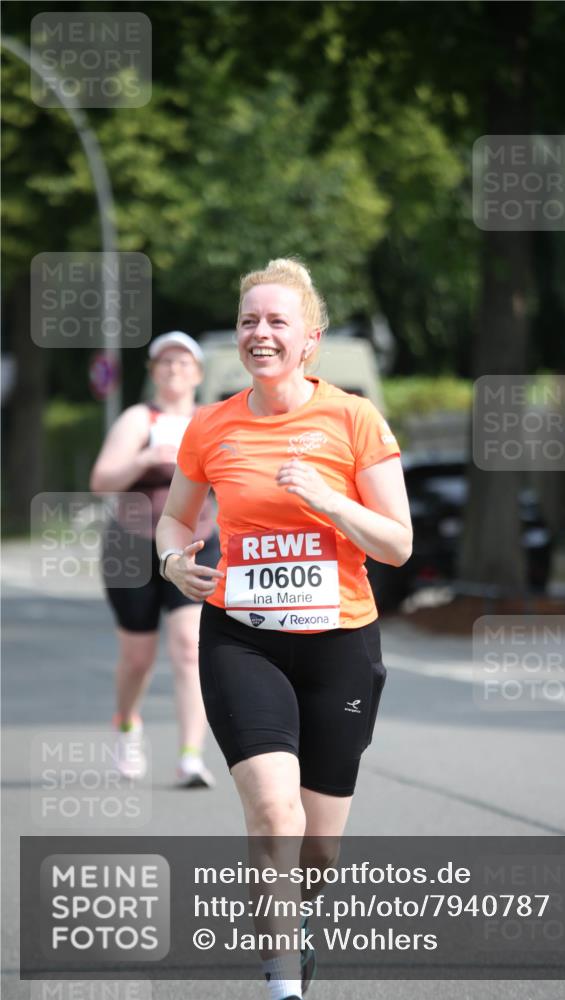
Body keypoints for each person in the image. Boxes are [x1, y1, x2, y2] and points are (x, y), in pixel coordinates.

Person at [156, 259, 412, 1000]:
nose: (259, 333)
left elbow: (396, 544)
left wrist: (331, 501)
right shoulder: (213, 424)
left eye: (275, 322)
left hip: (340, 644)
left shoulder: (352, 418)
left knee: (318, 849)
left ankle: (298, 926)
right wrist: (175, 562)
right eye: (248, 321)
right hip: (243, 638)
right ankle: (280, 988)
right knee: (273, 809)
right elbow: (175, 516)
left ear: (309, 340)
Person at [90, 331, 219, 788]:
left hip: (195, 542)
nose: (174, 370)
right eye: (165, 363)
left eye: (183, 363)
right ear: (153, 372)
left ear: (198, 374)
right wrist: (145, 457)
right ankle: (127, 724)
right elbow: (102, 480)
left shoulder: (211, 420)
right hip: (132, 544)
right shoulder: (138, 418)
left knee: (189, 647)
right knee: (138, 657)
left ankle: (190, 756)